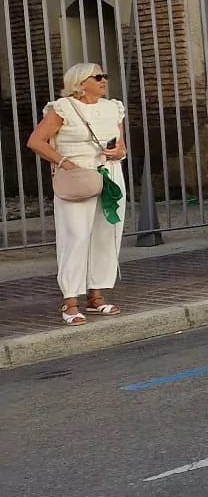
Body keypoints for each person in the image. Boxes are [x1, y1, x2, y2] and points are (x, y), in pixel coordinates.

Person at [25, 63, 128, 326]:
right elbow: (36, 141)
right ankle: (70, 300)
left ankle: (96, 295)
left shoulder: (113, 107)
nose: (104, 80)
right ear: (81, 83)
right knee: (76, 236)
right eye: (98, 76)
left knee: (107, 234)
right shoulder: (62, 108)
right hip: (77, 177)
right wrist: (64, 163)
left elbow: (121, 144)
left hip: (111, 175)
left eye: (105, 75)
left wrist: (119, 153)